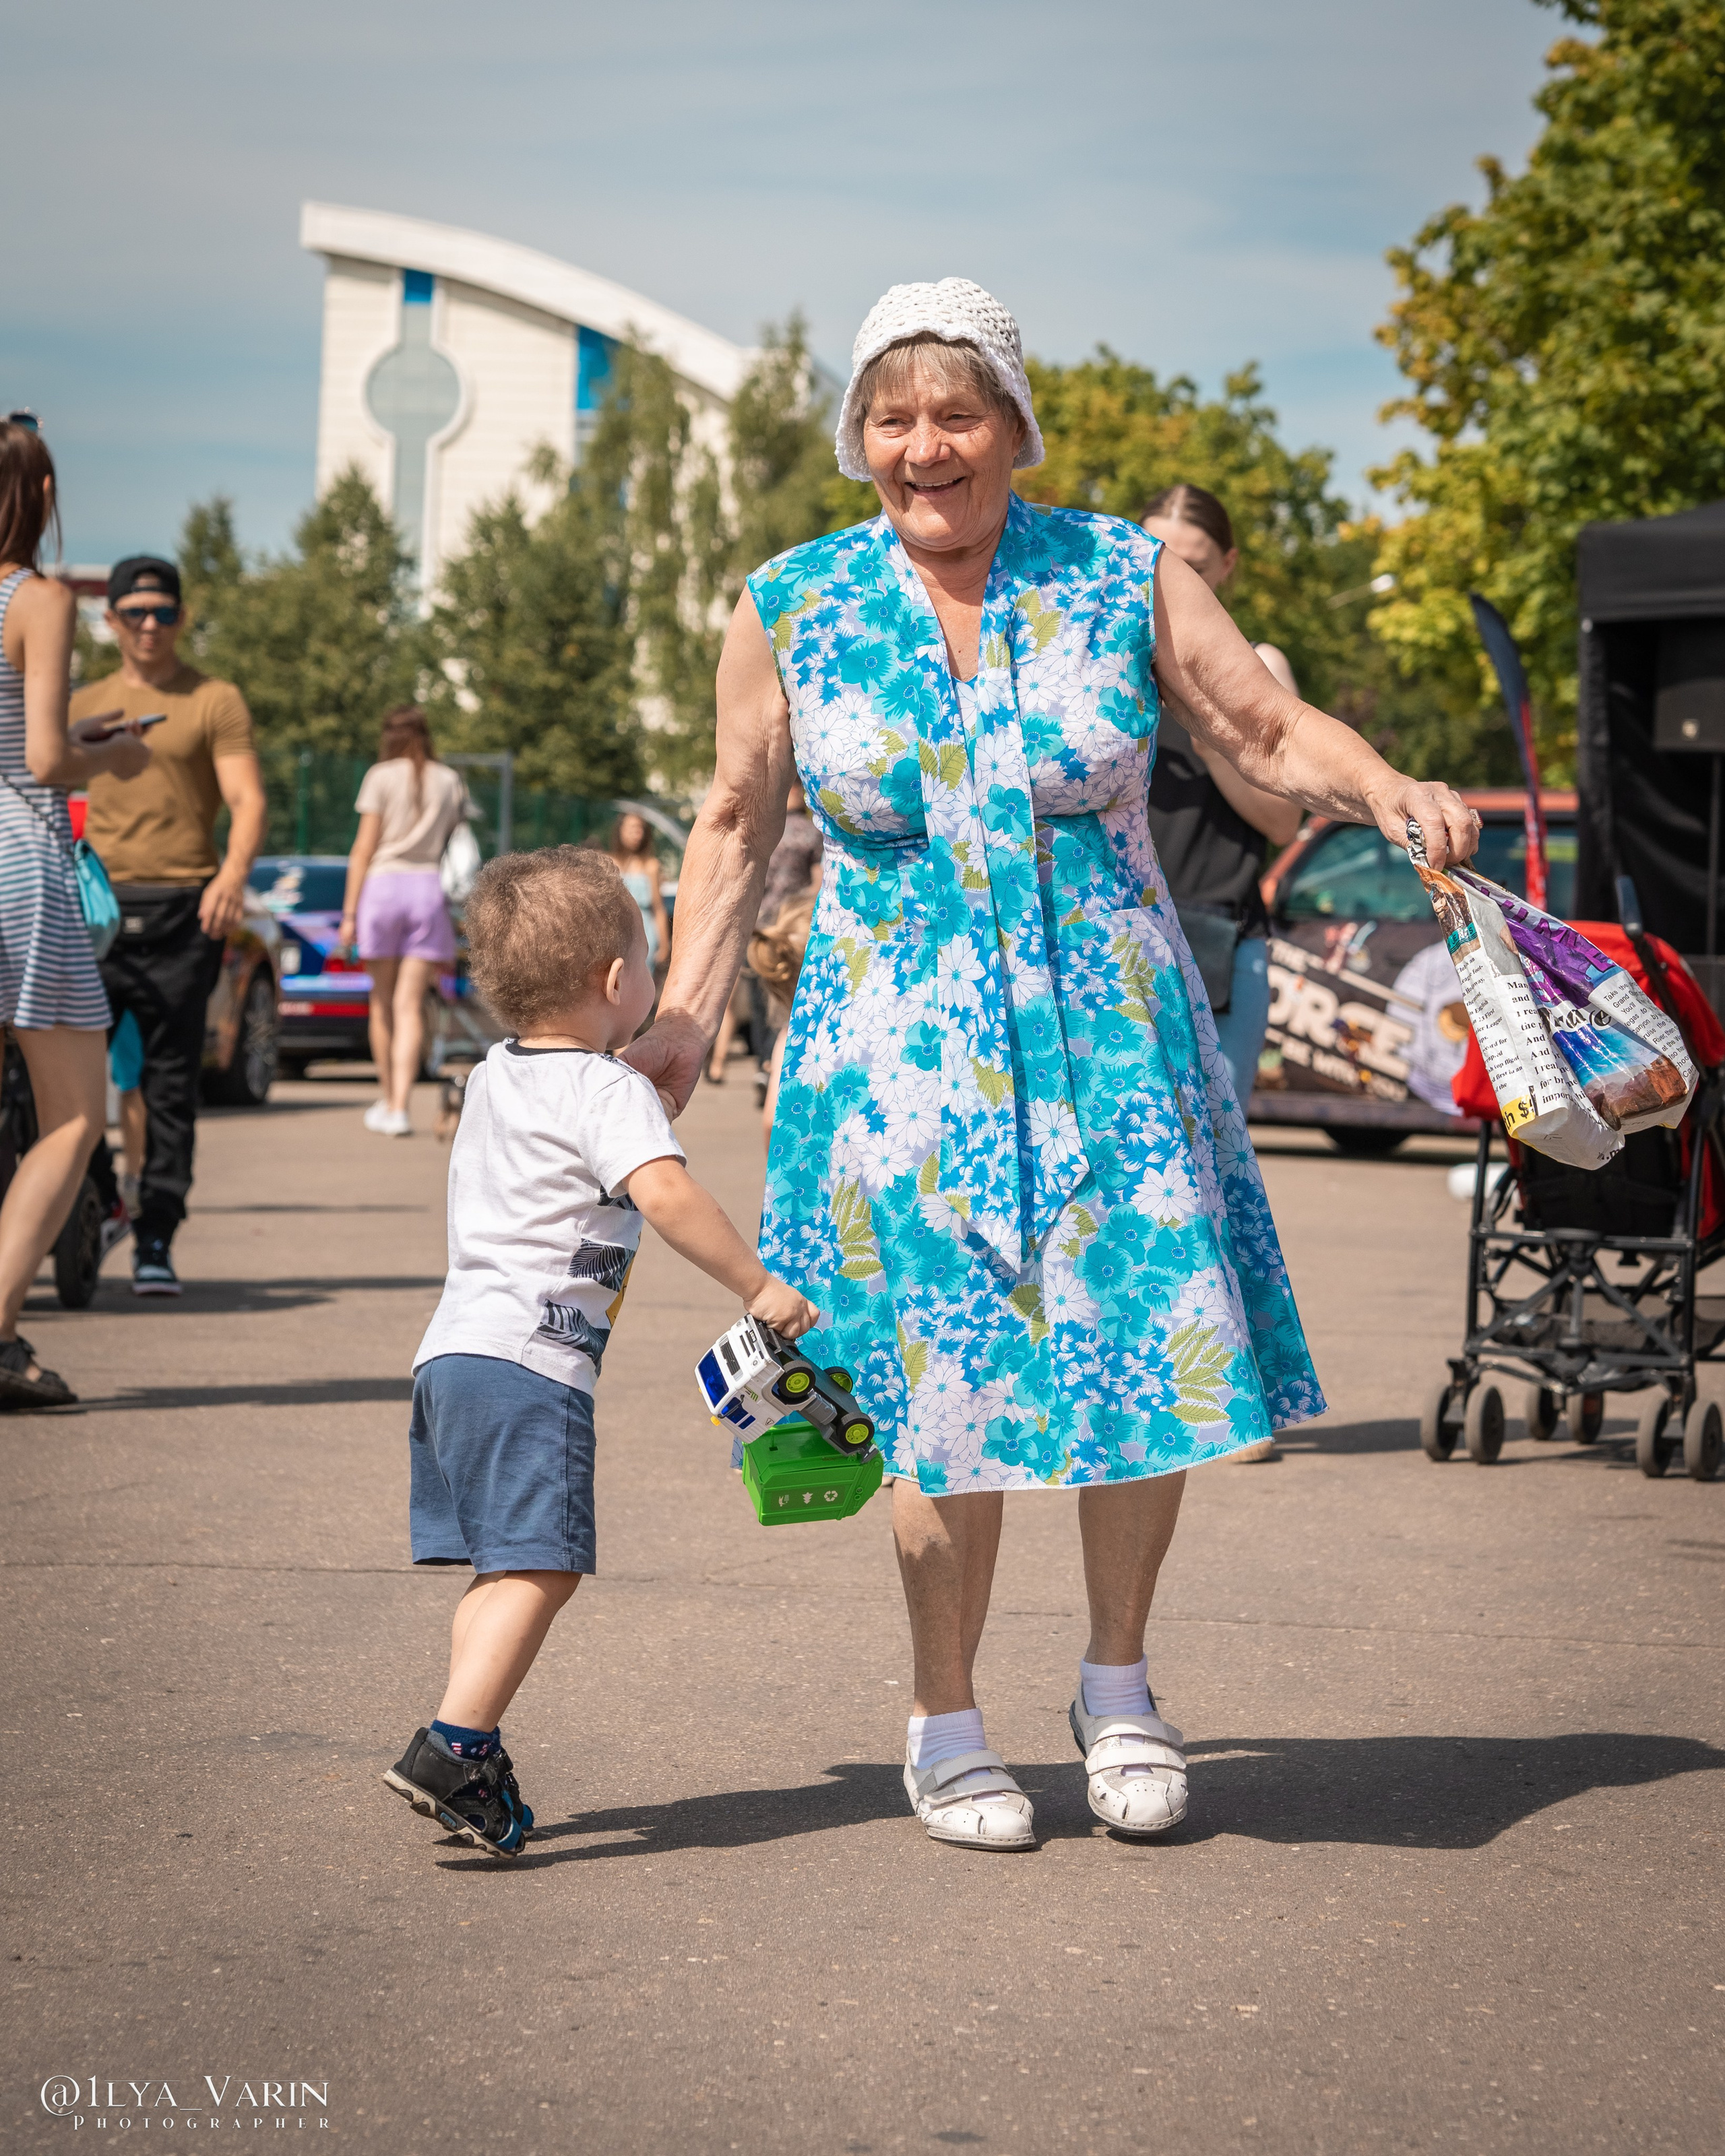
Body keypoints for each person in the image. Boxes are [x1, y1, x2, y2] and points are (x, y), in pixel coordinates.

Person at [626, 277, 1478, 1853]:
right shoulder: (790, 601)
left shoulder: (1119, 571)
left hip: (1108, 1034)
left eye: (954, 414)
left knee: (1138, 1350)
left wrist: (1384, 784)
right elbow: (737, 819)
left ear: (1012, 427)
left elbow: (1261, 727)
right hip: (894, 1064)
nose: (921, 446)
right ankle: (943, 1723)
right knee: (934, 1385)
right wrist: (681, 1015)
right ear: (857, 438)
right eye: (890, 417)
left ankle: (1118, 1686)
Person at [383, 846, 817, 1858]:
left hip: (451, 1355)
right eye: (649, 964)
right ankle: (453, 1743)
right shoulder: (603, 1088)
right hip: (530, 1366)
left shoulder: (497, 1073)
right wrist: (758, 1285)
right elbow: (664, 1195)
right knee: (543, 1566)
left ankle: (469, 1747)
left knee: (503, 1569)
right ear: (615, 983)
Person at [1141, 483, 1305, 1465]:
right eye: (1160, 552)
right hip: (1116, 942)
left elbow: (1282, 820)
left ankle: (1231, 1401)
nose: (1177, 574)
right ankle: (1158, 1389)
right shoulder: (1103, 645)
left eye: (1195, 561)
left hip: (1220, 942)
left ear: (1227, 569)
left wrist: (1204, 720)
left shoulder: (1256, 664)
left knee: (1210, 1170)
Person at [0, 418, 151, 1405]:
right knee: (73, 1117)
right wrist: (116, 752)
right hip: (17, 862)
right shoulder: (37, 593)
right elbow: (46, 764)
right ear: (45, 491)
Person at [70, 555, 267, 1296]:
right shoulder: (83, 702)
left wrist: (231, 875)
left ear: (182, 618)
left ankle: (157, 1232)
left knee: (170, 1083)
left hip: (188, 906)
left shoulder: (214, 699)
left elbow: (246, 800)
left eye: (165, 611)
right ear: (112, 619)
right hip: (96, 910)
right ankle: (97, 1197)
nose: (151, 624)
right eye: (136, 611)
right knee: (72, 1076)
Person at [338, 707, 472, 1138]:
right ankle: (401, 1105)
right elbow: (454, 839)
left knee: (382, 1001)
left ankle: (388, 1100)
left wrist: (348, 915)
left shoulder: (380, 776)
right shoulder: (449, 780)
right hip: (425, 890)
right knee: (411, 1004)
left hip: (382, 888)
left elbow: (363, 849)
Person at [706, 782, 823, 1085]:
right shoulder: (792, 830)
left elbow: (817, 879)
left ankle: (769, 1061)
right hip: (776, 921)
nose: (794, 794)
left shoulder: (793, 831)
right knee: (771, 995)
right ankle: (768, 1061)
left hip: (777, 923)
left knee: (772, 994)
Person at [607, 811, 670, 980]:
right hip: (615, 931)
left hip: (644, 931)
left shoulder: (651, 866)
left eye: (640, 829)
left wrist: (664, 944)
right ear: (620, 830)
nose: (637, 834)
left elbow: (658, 908)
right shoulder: (608, 862)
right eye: (632, 828)